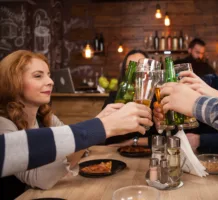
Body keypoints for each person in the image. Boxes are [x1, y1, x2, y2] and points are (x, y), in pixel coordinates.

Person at [0, 50, 152, 199]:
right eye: (38, 76)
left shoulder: (46, 117)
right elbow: (40, 179)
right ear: (14, 81)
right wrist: (98, 126)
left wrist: (98, 122)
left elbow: (72, 149)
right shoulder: (4, 124)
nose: (50, 82)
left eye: (49, 75)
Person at [103, 49, 150, 147]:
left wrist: (134, 141)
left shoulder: (158, 98)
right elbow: (106, 137)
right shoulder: (115, 97)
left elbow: (166, 138)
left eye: (141, 67)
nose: (137, 72)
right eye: (131, 68)